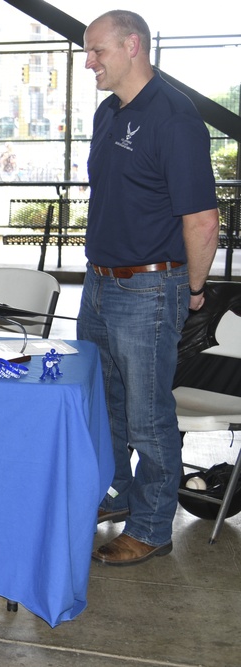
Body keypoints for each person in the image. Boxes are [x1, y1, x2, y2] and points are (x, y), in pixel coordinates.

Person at [79, 10, 219, 566]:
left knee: (148, 415)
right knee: (104, 400)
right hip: (99, 282)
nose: (88, 61)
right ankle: (114, 494)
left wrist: (192, 292)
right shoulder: (107, 113)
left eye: (97, 51)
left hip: (149, 288)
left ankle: (154, 524)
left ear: (132, 46)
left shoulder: (175, 118)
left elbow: (202, 220)